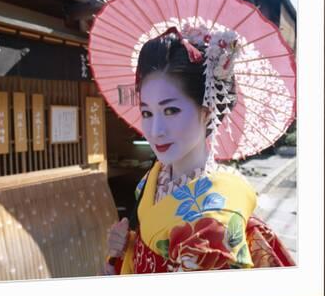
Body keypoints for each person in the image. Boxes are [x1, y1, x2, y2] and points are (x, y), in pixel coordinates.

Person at [103, 25, 295, 275]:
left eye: (171, 110)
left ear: (207, 112)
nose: (155, 130)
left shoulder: (217, 219)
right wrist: (125, 246)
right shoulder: (150, 181)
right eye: (147, 113)